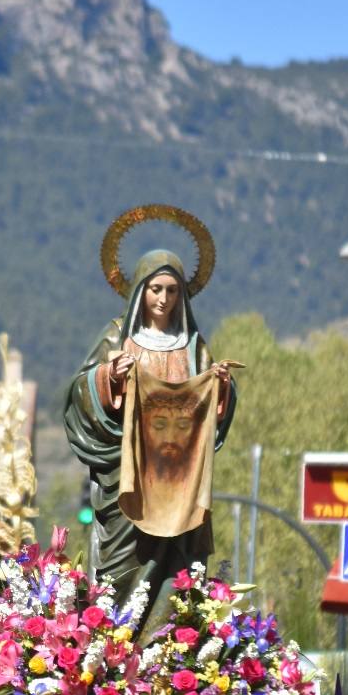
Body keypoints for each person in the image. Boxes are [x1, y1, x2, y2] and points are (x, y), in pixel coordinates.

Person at [64, 245, 236, 635]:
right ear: (140, 290)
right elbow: (79, 391)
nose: (163, 299)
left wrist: (221, 386)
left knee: (176, 572)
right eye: (156, 289)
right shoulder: (117, 335)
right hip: (129, 470)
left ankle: (166, 650)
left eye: (172, 291)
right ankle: (110, 644)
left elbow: (210, 405)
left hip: (178, 478)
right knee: (121, 570)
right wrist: (109, 377)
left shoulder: (193, 346)